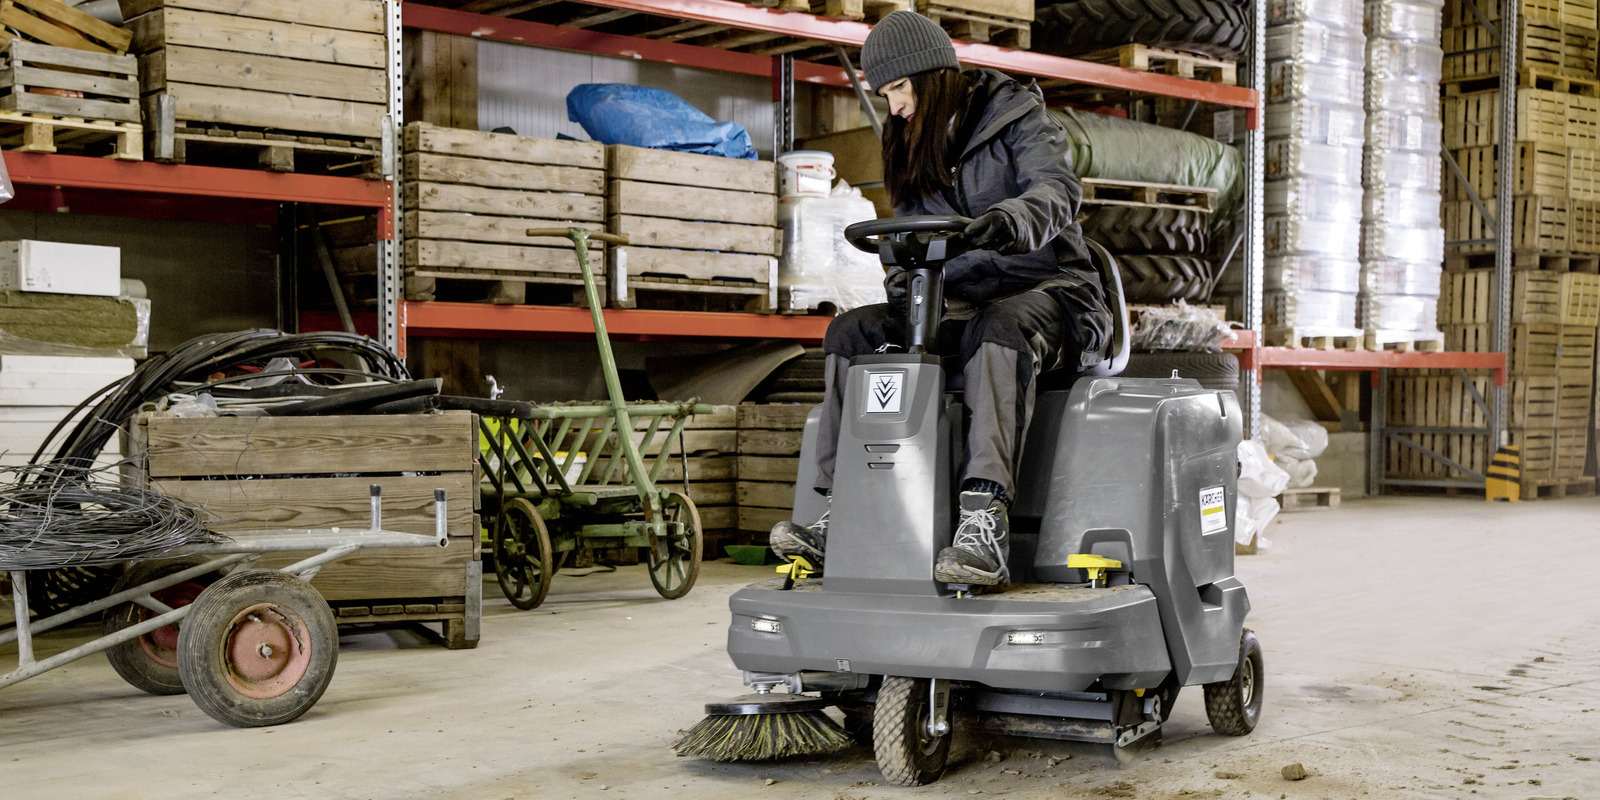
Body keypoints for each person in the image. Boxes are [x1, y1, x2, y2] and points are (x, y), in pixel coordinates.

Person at [768, 11, 1113, 587]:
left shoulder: (1017, 117)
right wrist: (904, 282)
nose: (896, 105)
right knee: (852, 332)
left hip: (1052, 293)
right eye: (885, 94)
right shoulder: (909, 137)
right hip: (961, 300)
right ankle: (840, 512)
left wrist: (1009, 220)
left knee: (998, 327)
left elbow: (1057, 192)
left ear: (935, 75)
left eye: (901, 88)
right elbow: (910, 233)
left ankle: (985, 523)